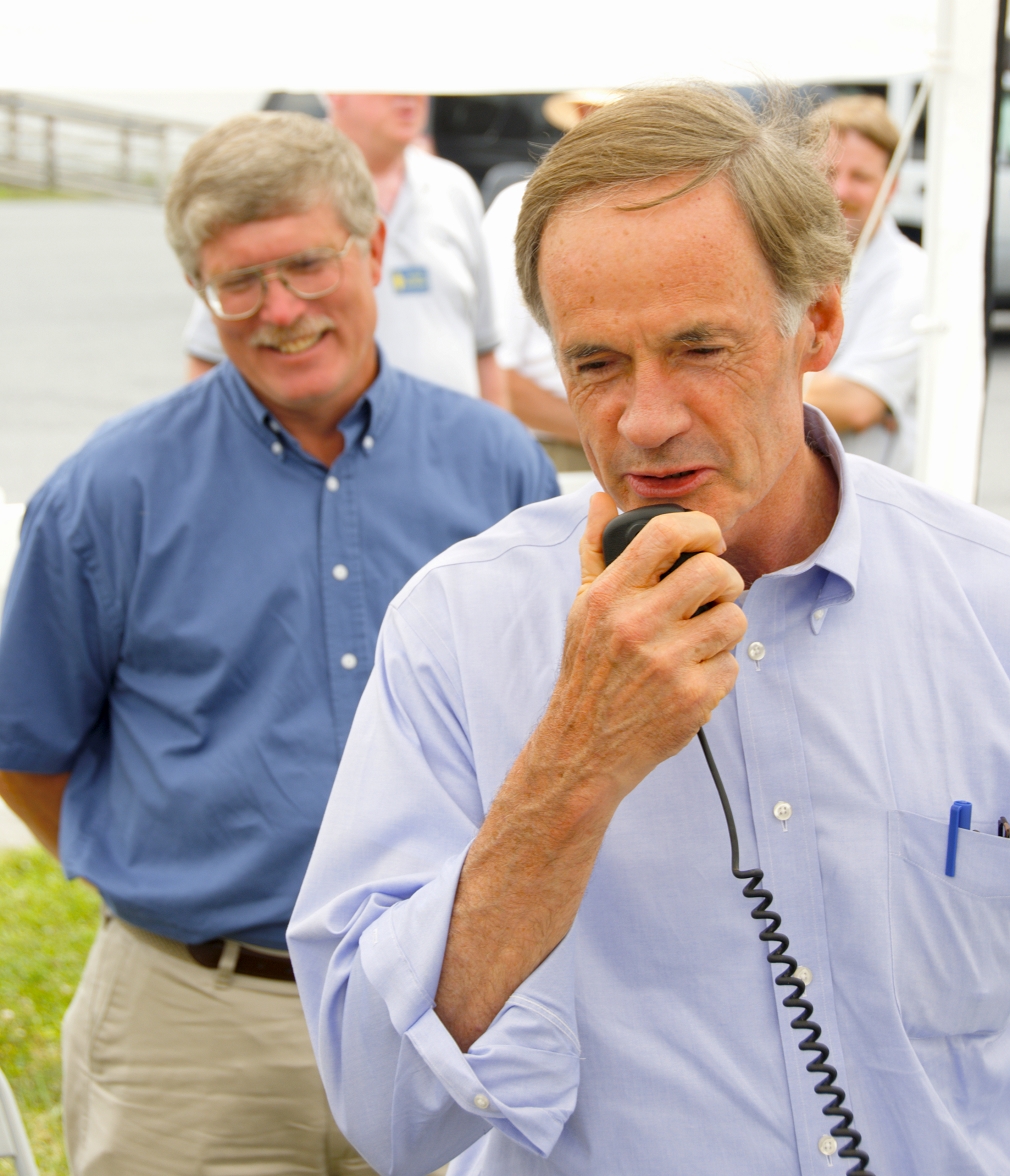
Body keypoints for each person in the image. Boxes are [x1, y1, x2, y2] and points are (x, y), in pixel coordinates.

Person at [289, 85, 1010, 1176]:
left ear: (820, 322)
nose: (646, 419)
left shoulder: (985, 601)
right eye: (596, 364)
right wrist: (575, 760)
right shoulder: (458, 627)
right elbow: (386, 1106)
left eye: (700, 347)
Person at [0, 111, 557, 1176]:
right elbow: (25, 750)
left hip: (451, 1011)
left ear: (374, 250)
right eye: (239, 282)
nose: (282, 309)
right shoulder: (106, 495)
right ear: (199, 292)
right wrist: (162, 878)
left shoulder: (498, 468)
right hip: (190, 1037)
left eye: (307, 264)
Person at [185, 94, 506, 405]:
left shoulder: (453, 188)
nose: (409, 94)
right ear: (335, 90)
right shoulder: (272, 187)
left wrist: (496, 432)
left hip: (453, 436)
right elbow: (208, 356)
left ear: (375, 246)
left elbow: (485, 348)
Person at [484, 92, 620, 472]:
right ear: (580, 116)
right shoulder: (518, 208)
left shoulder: (663, 212)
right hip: (562, 451)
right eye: (596, 113)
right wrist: (611, 437)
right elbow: (498, 375)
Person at [803, 94, 925, 473]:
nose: (840, 191)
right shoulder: (781, 259)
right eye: (828, 173)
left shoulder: (910, 274)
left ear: (891, 186)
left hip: (864, 494)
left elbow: (855, 404)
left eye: (861, 177)